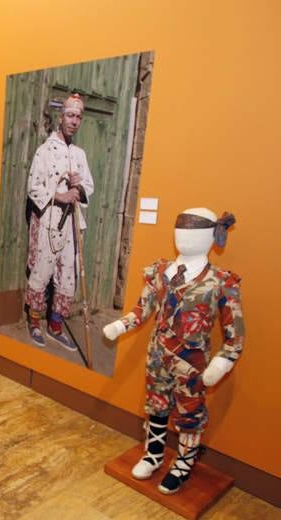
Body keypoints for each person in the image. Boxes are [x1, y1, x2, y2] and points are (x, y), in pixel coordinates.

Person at [103, 208, 243, 495]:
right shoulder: (160, 271)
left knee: (190, 414)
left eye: (191, 232)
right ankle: (153, 454)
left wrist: (223, 361)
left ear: (208, 236)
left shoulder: (220, 282)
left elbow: (235, 334)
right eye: (180, 230)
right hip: (157, 357)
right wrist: (120, 325)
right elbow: (142, 310)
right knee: (156, 406)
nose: (183, 237)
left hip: (192, 364)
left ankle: (183, 463)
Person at [24, 93, 94, 351]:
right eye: (70, 115)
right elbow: (34, 187)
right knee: (42, 270)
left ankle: (55, 325)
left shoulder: (80, 155)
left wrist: (80, 188)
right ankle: (34, 322)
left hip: (73, 224)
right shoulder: (44, 151)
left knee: (68, 275)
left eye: (79, 117)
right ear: (61, 116)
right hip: (49, 220)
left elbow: (89, 186)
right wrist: (61, 195)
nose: (74, 121)